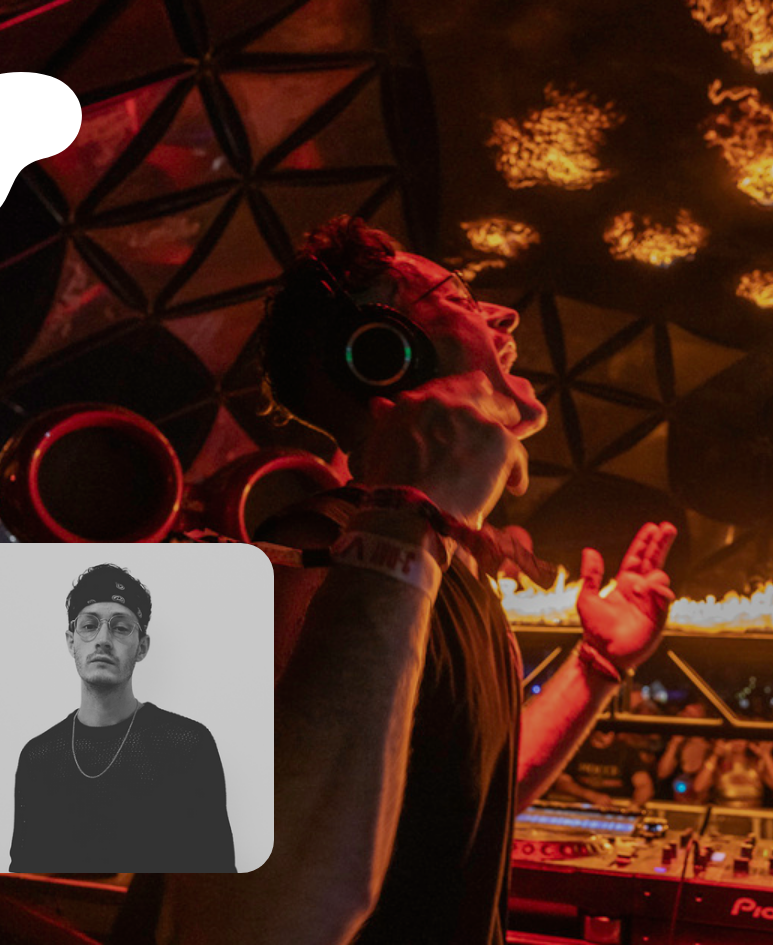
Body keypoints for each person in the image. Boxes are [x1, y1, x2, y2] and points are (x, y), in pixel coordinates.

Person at [150, 217, 677, 945]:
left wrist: (597, 667)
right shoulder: (306, 555)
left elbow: (459, 805)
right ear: (382, 351)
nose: (504, 316)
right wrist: (402, 521)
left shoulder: (440, 564)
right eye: (457, 298)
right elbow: (245, 920)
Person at [11, 564, 234, 873]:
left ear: (141, 647)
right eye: (89, 625)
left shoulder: (186, 745)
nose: (103, 639)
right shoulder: (38, 756)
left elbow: (216, 872)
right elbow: (23, 873)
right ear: (71, 642)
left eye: (120, 627)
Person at [549, 729, 655, 808]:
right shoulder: (576, 748)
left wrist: (634, 806)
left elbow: (644, 785)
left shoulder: (627, 751)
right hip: (579, 809)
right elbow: (562, 783)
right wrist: (590, 796)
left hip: (615, 811)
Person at [695, 739, 773, 809]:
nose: (738, 741)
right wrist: (715, 756)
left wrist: (766, 756)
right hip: (724, 821)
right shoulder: (718, 768)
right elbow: (698, 788)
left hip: (752, 822)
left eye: (741, 737)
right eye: (733, 738)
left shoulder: (756, 767)